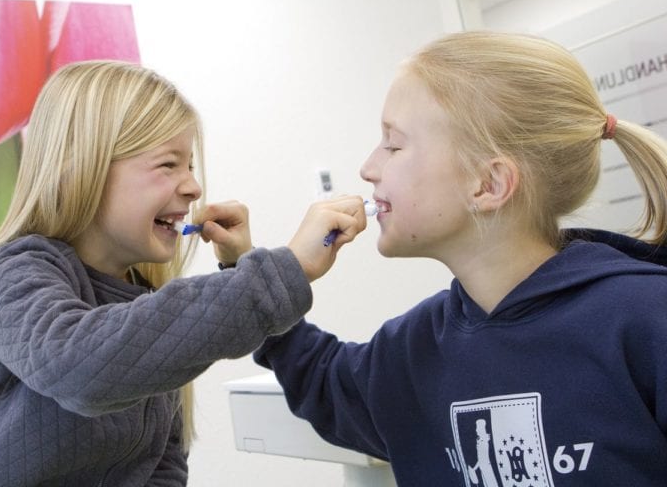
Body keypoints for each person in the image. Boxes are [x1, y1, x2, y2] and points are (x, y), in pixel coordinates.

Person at [0, 60, 367, 486]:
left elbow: (161, 463)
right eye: (168, 164)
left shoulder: (142, 307)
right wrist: (279, 273)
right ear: (83, 170)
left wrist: (238, 268)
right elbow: (80, 365)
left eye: (189, 165)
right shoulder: (12, 273)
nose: (193, 185)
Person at [254, 30, 667, 486]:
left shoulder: (648, 319)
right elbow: (324, 379)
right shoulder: (411, 350)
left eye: (393, 145)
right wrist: (253, 277)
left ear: (488, 185)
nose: (368, 168)